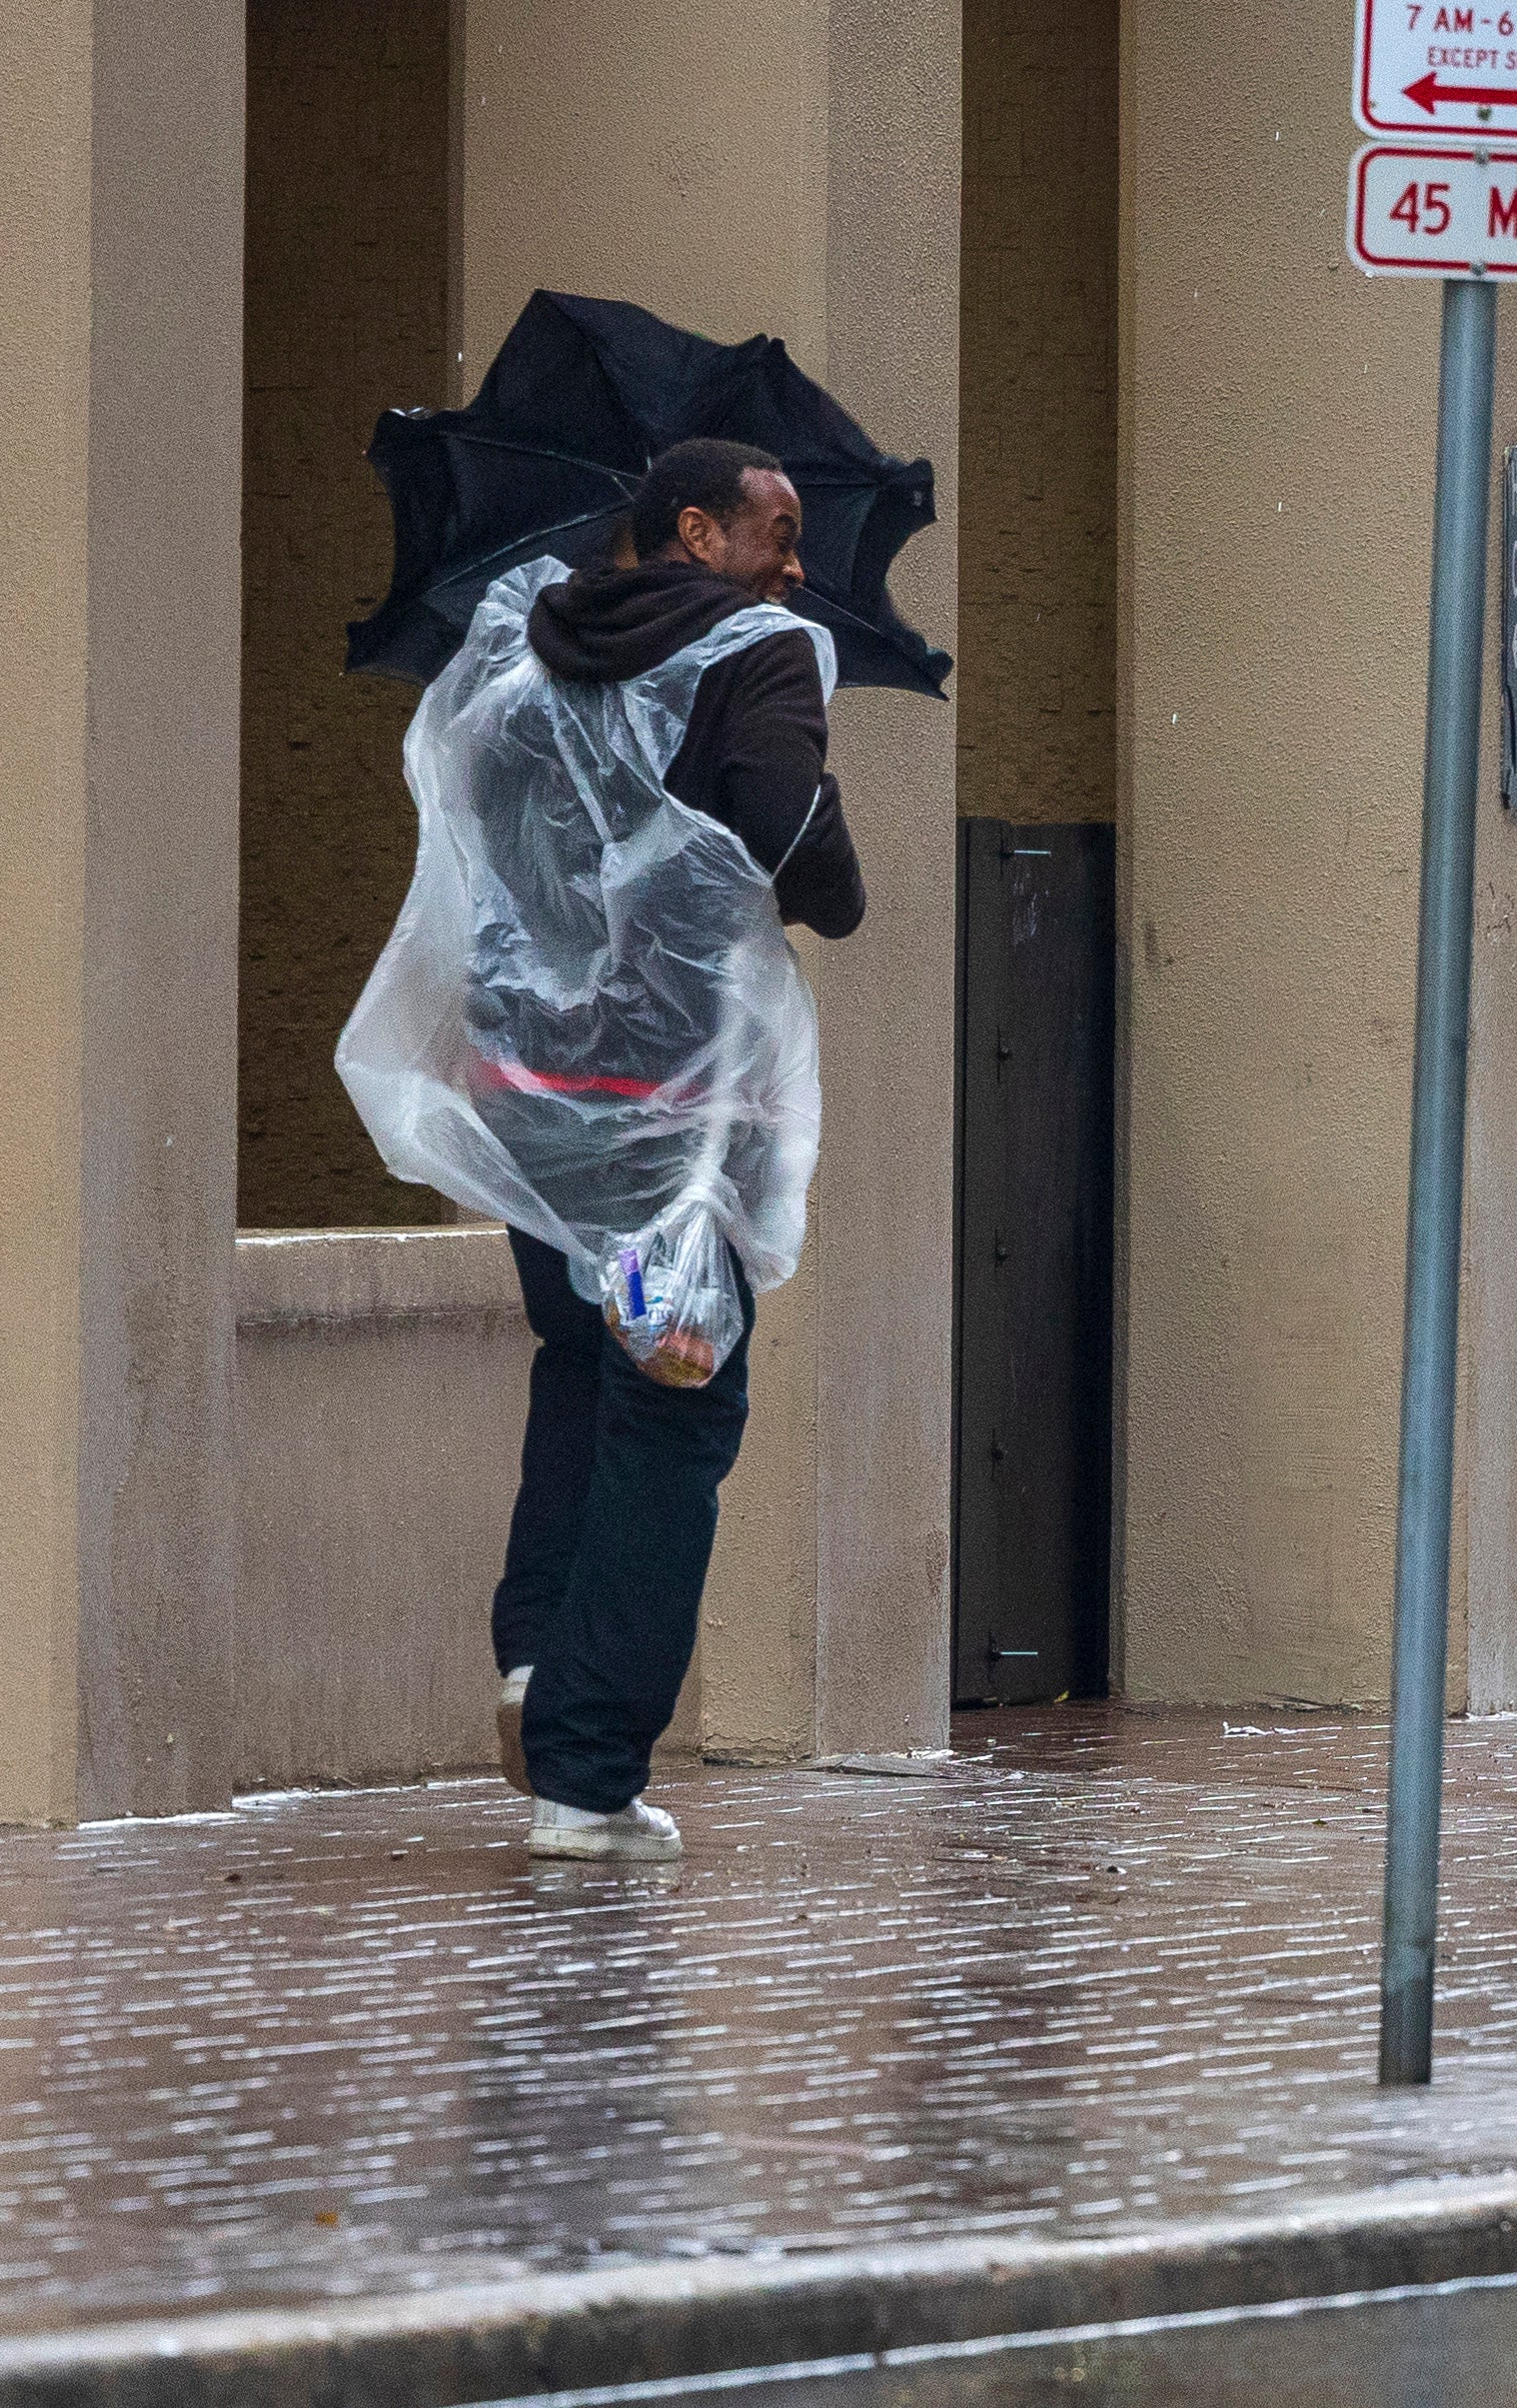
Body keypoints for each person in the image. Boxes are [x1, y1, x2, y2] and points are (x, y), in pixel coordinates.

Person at [452, 437, 866, 1862]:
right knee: (677, 1405)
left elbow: (494, 836)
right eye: (776, 531)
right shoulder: (756, 655)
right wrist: (836, 875)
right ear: (694, 529)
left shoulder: (530, 639)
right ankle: (583, 1767)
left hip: (535, 1102)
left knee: (585, 1355)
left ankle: (533, 1650)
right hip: (671, 1129)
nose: (798, 563)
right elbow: (788, 832)